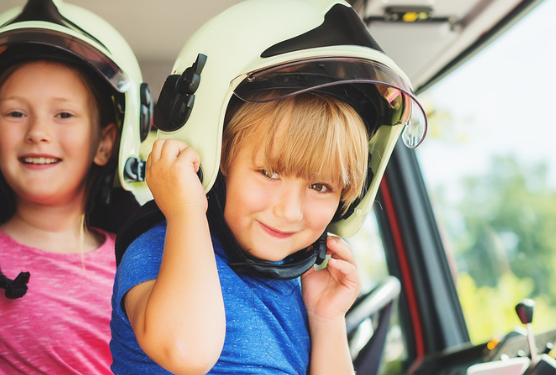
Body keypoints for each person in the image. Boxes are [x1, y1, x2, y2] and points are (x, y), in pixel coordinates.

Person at [109, 0, 428, 374]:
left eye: (321, 186)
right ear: (216, 159)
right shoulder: (158, 252)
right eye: (270, 173)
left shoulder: (297, 285)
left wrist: (326, 319)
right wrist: (185, 211)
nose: (290, 211)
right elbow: (186, 351)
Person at [0, 0, 151, 373]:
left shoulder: (143, 268)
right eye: (16, 113)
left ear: (106, 144)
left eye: (64, 114)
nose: (38, 133)